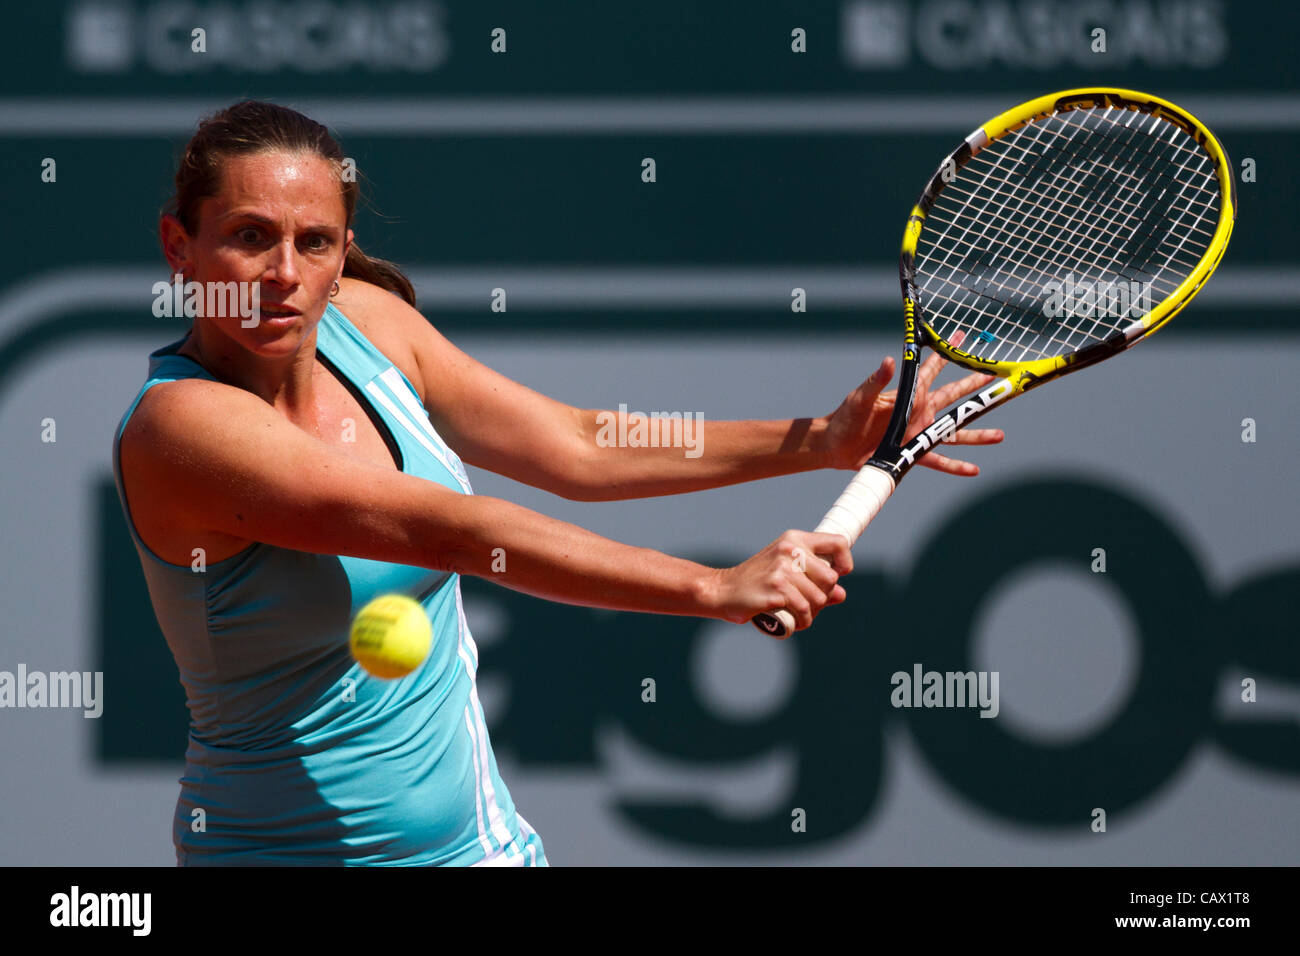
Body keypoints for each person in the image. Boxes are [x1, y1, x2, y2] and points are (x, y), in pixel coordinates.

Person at [111, 100, 1003, 866]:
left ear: (345, 254)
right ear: (178, 247)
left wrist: (822, 440)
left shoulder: (370, 325)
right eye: (249, 239)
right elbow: (450, 532)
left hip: (480, 851)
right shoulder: (181, 429)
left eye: (315, 244)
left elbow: (578, 446)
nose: (285, 276)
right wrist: (713, 587)